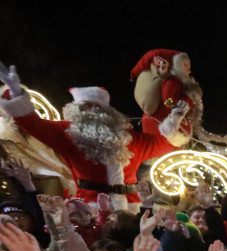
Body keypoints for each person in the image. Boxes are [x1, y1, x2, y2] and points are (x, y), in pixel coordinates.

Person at [0, 62, 188, 209]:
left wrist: (174, 119)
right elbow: (32, 123)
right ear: (76, 111)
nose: (92, 111)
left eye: (97, 107)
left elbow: (163, 144)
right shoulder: (67, 133)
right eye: (85, 107)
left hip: (130, 207)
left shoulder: (129, 138)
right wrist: (16, 93)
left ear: (108, 112)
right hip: (89, 208)